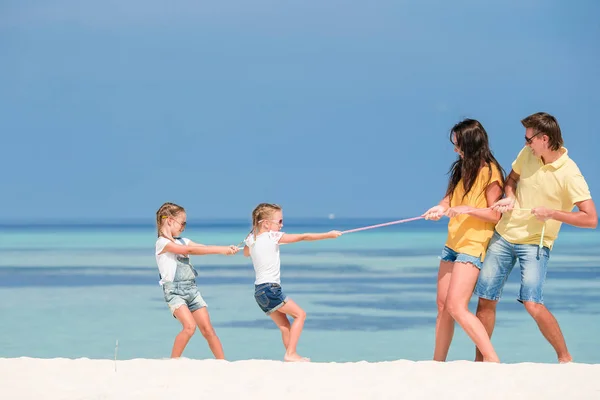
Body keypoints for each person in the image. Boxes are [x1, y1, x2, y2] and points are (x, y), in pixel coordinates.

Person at [474, 112, 597, 363]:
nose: (525, 143)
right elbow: (512, 178)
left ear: (544, 139)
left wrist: (553, 213)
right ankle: (482, 362)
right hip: (505, 235)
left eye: (529, 139)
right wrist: (509, 196)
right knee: (486, 298)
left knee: (532, 303)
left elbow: (591, 219)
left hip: (536, 243)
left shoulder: (570, 174)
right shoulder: (528, 154)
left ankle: (565, 358)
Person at [423, 119, 505, 362]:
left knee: (456, 306)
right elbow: (449, 200)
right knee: (442, 306)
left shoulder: (490, 172)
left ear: (470, 144)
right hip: (452, 244)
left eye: (458, 144)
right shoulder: (461, 168)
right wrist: (438, 208)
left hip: (473, 245)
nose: (455, 149)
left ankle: (492, 359)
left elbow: (495, 214)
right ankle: (437, 362)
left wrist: (467, 209)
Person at [243, 203, 342, 362]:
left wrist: (251, 239)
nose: (282, 225)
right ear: (266, 224)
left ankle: (291, 355)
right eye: (279, 222)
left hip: (259, 292)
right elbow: (303, 237)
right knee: (300, 315)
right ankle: (290, 354)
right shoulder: (272, 236)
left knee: (284, 326)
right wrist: (328, 235)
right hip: (271, 288)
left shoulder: (251, 239)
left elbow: (246, 254)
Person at [155, 202, 239, 359]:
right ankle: (173, 362)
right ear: (170, 220)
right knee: (189, 327)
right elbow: (189, 251)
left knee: (208, 330)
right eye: (183, 223)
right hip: (174, 292)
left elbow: (202, 248)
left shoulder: (183, 240)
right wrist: (222, 250)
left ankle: (223, 363)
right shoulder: (162, 243)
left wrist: (226, 249)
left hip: (192, 290)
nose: (184, 227)